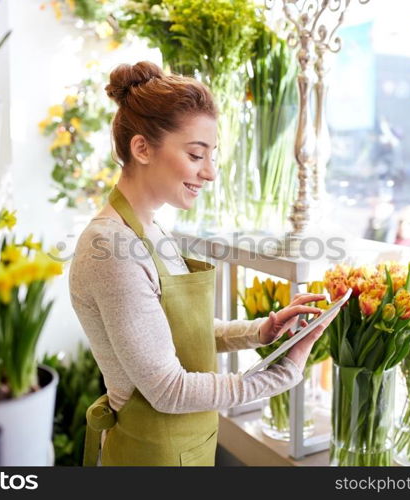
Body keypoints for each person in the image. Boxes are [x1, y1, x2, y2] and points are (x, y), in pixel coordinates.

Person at [69, 61, 337, 466]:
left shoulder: (151, 230)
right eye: (196, 155)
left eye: (212, 155)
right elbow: (167, 390)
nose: (209, 172)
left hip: (186, 444)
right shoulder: (110, 248)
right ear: (142, 148)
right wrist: (278, 378)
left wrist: (262, 331)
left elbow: (179, 331)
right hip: (150, 454)